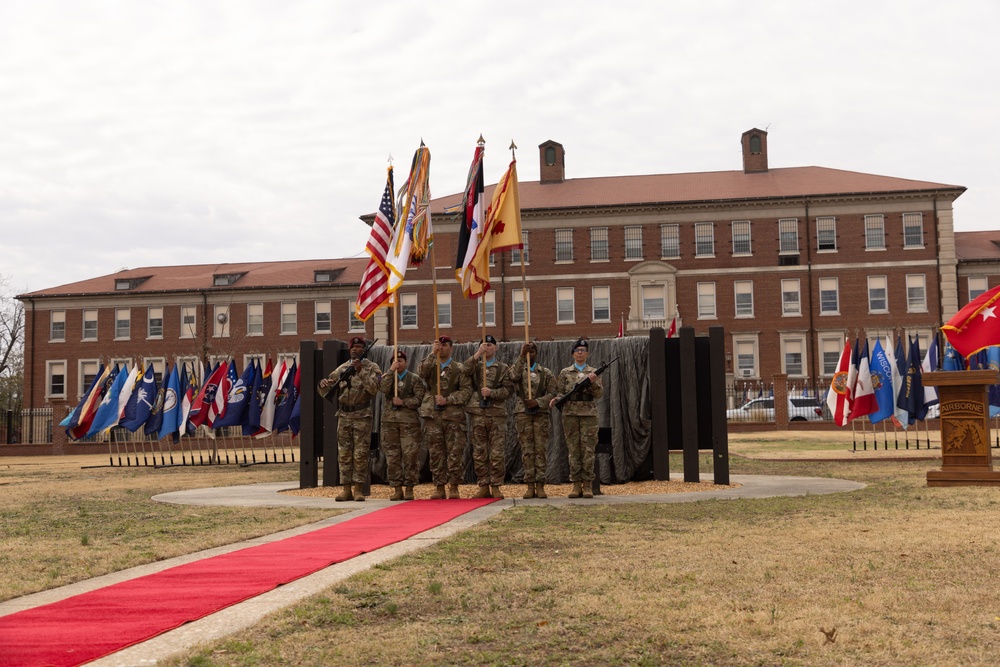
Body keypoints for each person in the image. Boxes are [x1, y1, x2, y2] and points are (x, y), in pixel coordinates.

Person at [317, 336, 380, 502]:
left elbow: (374, 389)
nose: (355, 349)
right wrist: (324, 384)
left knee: (360, 454)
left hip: (362, 416)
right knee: (344, 454)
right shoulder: (343, 368)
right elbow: (329, 386)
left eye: (359, 347)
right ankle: (346, 489)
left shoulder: (372, 368)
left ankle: (358, 489)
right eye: (353, 347)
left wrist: (361, 371)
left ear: (364, 350)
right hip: (344, 416)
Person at [418, 336, 471, 499]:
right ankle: (439, 486)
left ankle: (454, 486)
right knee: (435, 452)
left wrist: (448, 400)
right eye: (439, 345)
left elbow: (466, 391)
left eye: (445, 345)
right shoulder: (430, 364)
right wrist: (432, 353)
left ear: (451, 348)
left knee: (455, 452)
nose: (441, 348)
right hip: (433, 415)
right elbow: (421, 373)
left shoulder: (460, 368)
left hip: (453, 416)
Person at [549, 338, 603, 499]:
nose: (580, 352)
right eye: (577, 350)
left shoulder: (593, 372)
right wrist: (556, 399)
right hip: (570, 414)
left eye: (583, 350)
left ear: (587, 353)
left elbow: (599, 394)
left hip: (589, 415)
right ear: (573, 354)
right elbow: (560, 392)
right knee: (573, 450)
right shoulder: (565, 373)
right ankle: (575, 485)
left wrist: (592, 383)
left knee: (588, 450)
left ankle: (587, 485)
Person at [463, 334, 513, 499]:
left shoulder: (503, 368)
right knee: (479, 452)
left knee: (497, 452)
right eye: (484, 345)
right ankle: (483, 484)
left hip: (496, 415)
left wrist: (492, 393)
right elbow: (464, 371)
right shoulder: (475, 366)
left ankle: (496, 485)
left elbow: (508, 391)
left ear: (496, 348)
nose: (487, 348)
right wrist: (477, 354)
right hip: (478, 414)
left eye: (490, 345)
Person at [510, 340, 557, 499]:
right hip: (523, 413)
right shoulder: (519, 369)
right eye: (528, 351)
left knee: (540, 450)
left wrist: (539, 402)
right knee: (527, 451)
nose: (531, 354)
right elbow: (512, 376)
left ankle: (540, 485)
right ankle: (530, 485)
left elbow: (552, 393)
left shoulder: (546, 373)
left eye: (533, 351)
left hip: (540, 414)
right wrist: (521, 355)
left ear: (537, 353)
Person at [378, 349, 425, 501]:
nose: (398, 363)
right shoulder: (388, 377)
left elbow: (419, 399)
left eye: (400, 361)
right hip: (389, 422)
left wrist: (404, 402)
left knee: (410, 456)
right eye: (394, 361)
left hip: (409, 423)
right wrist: (390, 371)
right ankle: (397, 488)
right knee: (392, 457)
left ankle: (410, 487)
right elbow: (383, 389)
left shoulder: (414, 379)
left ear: (406, 362)